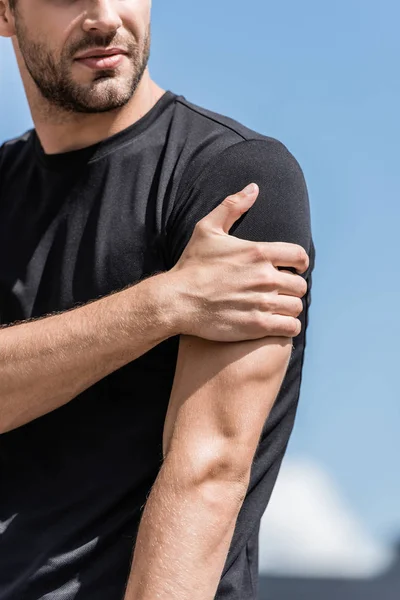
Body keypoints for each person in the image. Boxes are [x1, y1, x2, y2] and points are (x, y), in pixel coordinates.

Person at [0, 1, 315, 599]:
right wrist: (163, 304)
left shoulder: (235, 179)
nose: (104, 16)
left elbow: (208, 473)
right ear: (6, 14)